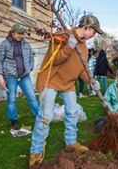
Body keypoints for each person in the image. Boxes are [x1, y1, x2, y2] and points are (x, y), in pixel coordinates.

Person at [29, 15, 103, 167]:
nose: (94, 35)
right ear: (87, 27)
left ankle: (70, 142)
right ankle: (36, 151)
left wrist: (91, 81)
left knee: (72, 112)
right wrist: (69, 45)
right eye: (94, 31)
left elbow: (82, 68)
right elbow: (54, 60)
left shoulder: (83, 47)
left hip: (68, 84)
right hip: (51, 80)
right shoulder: (61, 36)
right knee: (45, 116)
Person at [0, 24, 38, 130]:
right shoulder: (5, 44)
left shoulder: (26, 45)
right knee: (11, 99)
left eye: (22, 33)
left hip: (24, 76)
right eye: (19, 33)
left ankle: (39, 118)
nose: (21, 35)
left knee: (32, 97)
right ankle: (13, 120)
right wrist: (0, 76)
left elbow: (31, 57)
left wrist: (30, 68)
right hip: (10, 76)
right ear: (13, 32)